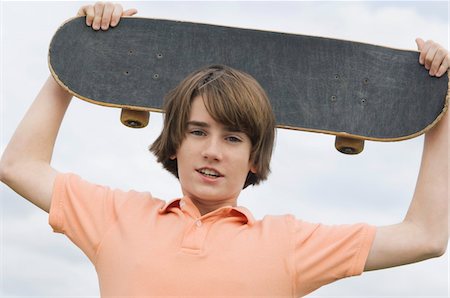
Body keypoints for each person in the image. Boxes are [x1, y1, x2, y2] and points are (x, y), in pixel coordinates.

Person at [1, 2, 448, 297]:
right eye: (197, 132)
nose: (212, 151)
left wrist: (442, 108)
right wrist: (76, 62)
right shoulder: (116, 217)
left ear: (255, 158)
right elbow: (19, 166)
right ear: (175, 142)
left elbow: (425, 236)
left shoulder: (289, 244)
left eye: (232, 138)